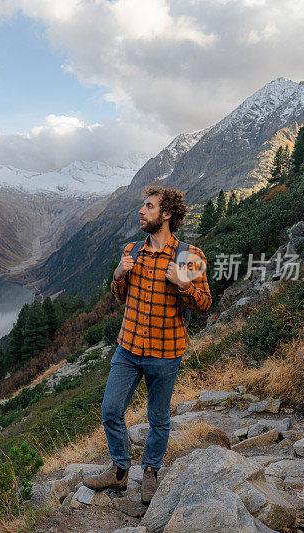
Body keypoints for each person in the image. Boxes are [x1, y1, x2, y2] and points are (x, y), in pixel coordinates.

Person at [83, 185, 212, 505]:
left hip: (165, 353)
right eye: (143, 206)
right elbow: (122, 296)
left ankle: (151, 471)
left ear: (166, 214)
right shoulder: (132, 251)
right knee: (110, 409)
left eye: (149, 207)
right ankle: (120, 470)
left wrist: (183, 284)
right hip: (128, 348)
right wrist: (117, 275)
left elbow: (205, 303)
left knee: (158, 418)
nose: (142, 211)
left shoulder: (190, 256)